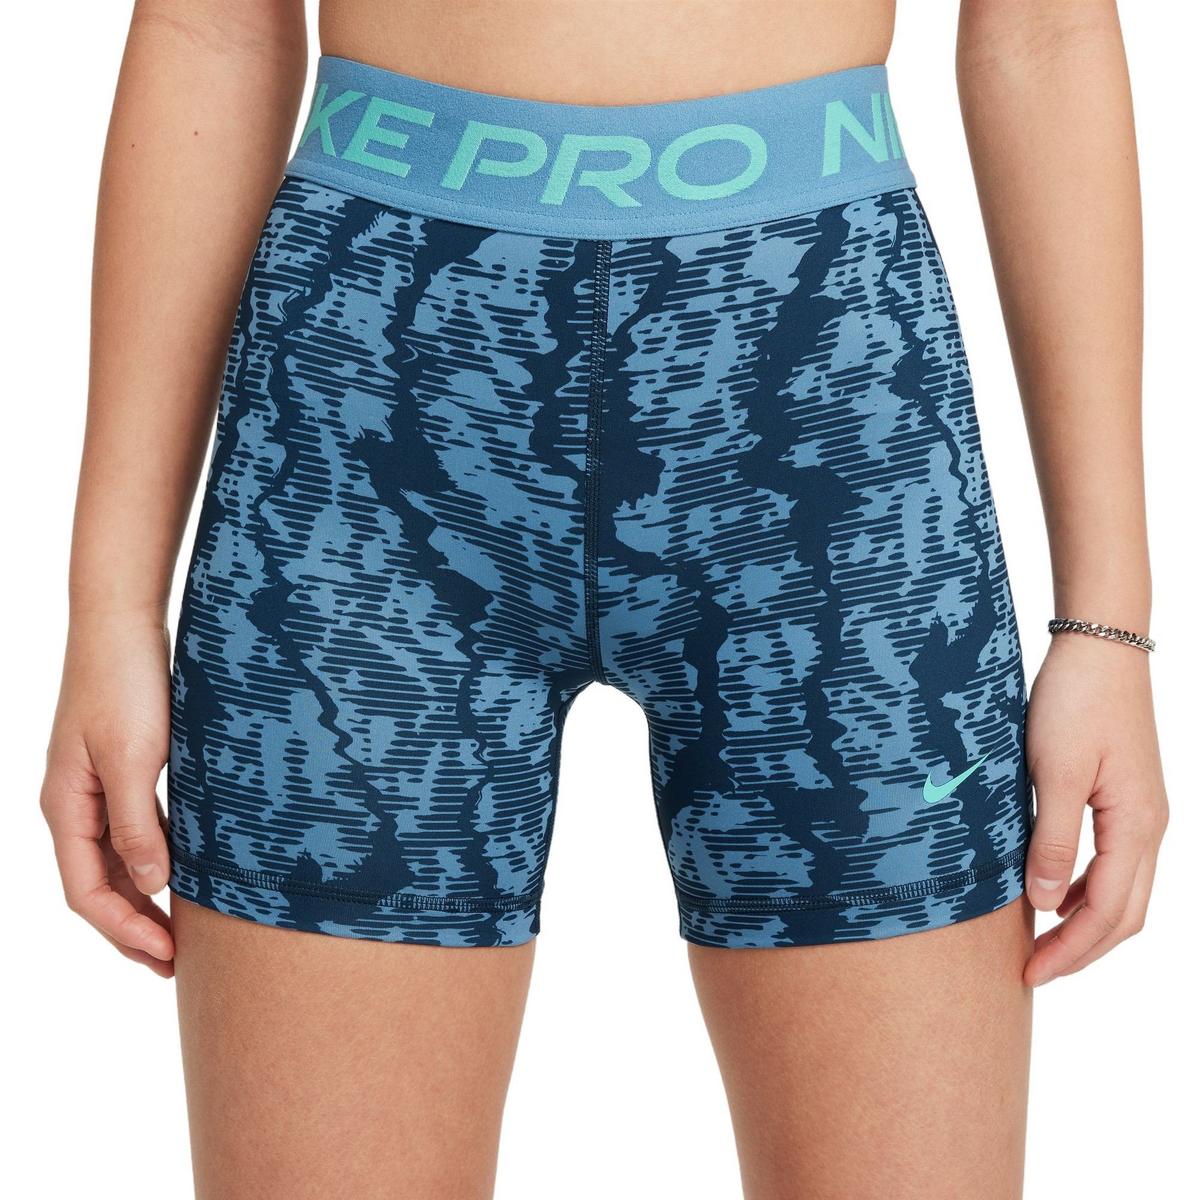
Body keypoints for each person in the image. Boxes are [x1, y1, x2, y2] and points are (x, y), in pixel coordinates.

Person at [40, 1, 1168, 1196]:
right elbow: (211, 28)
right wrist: (109, 605)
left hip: (823, 421)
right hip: (367, 430)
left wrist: (1109, 626)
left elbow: (1044, 32)